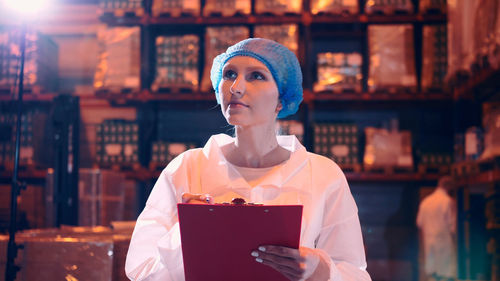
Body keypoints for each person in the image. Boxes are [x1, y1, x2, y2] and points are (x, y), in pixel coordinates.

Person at [125, 38, 371, 281]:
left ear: (282, 100)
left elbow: (355, 274)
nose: (236, 87)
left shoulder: (322, 175)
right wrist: (188, 233)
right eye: (230, 74)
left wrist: (317, 269)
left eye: (256, 76)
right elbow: (141, 269)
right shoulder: (187, 169)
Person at [416, 176, 457, 281]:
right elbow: (453, 227)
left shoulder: (426, 202)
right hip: (444, 243)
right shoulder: (448, 201)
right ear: (450, 188)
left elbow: (419, 223)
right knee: (444, 274)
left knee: (431, 275)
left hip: (428, 243)